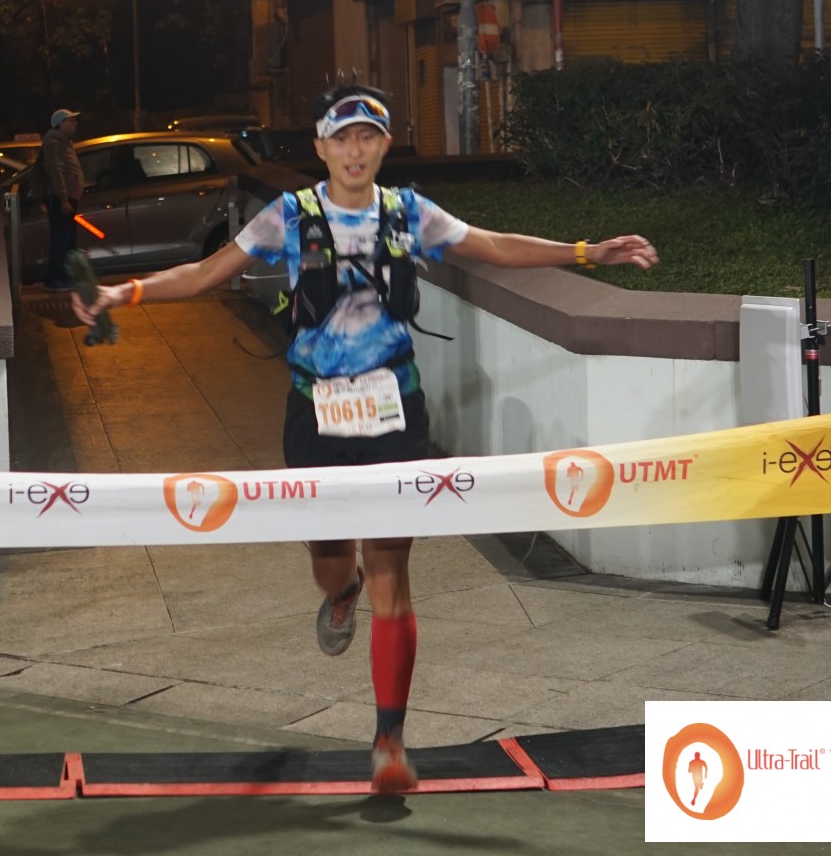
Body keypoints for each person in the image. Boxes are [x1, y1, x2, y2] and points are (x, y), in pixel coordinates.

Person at [76, 83, 658, 791]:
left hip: (394, 415)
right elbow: (204, 274)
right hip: (313, 415)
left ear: (384, 145)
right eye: (342, 137)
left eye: (369, 137)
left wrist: (587, 251)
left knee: (392, 572)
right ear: (320, 147)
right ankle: (340, 588)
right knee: (332, 565)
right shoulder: (290, 215)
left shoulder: (409, 213)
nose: (355, 150)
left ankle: (389, 740)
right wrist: (124, 292)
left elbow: (492, 245)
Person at [40, 108, 84, 291]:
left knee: (67, 239)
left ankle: (63, 277)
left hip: (67, 197)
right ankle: (55, 279)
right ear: (61, 123)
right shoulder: (54, 142)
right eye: (71, 120)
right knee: (61, 240)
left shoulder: (62, 141)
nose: (75, 123)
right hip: (61, 199)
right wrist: (63, 199)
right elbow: (56, 171)